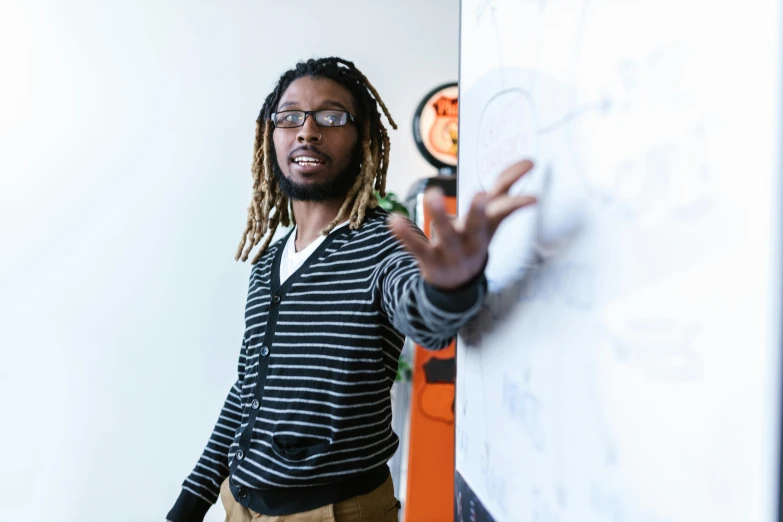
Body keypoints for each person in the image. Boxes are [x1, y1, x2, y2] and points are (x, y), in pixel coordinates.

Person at [165, 57, 535, 522]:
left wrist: (449, 286)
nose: (307, 131)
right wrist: (191, 500)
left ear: (363, 140)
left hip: (331, 513)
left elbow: (427, 320)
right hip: (238, 504)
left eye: (332, 116)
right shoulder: (267, 265)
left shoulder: (385, 242)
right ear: (270, 136)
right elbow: (246, 392)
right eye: (290, 116)